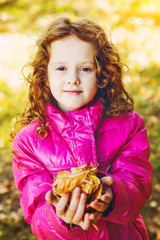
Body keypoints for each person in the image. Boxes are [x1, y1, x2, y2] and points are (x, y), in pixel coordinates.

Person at [11, 17, 153, 240]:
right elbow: (36, 209)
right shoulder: (28, 142)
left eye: (85, 68)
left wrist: (112, 195)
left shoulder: (129, 125)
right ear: (44, 76)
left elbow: (137, 182)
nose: (73, 79)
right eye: (61, 68)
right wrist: (60, 217)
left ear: (101, 75)